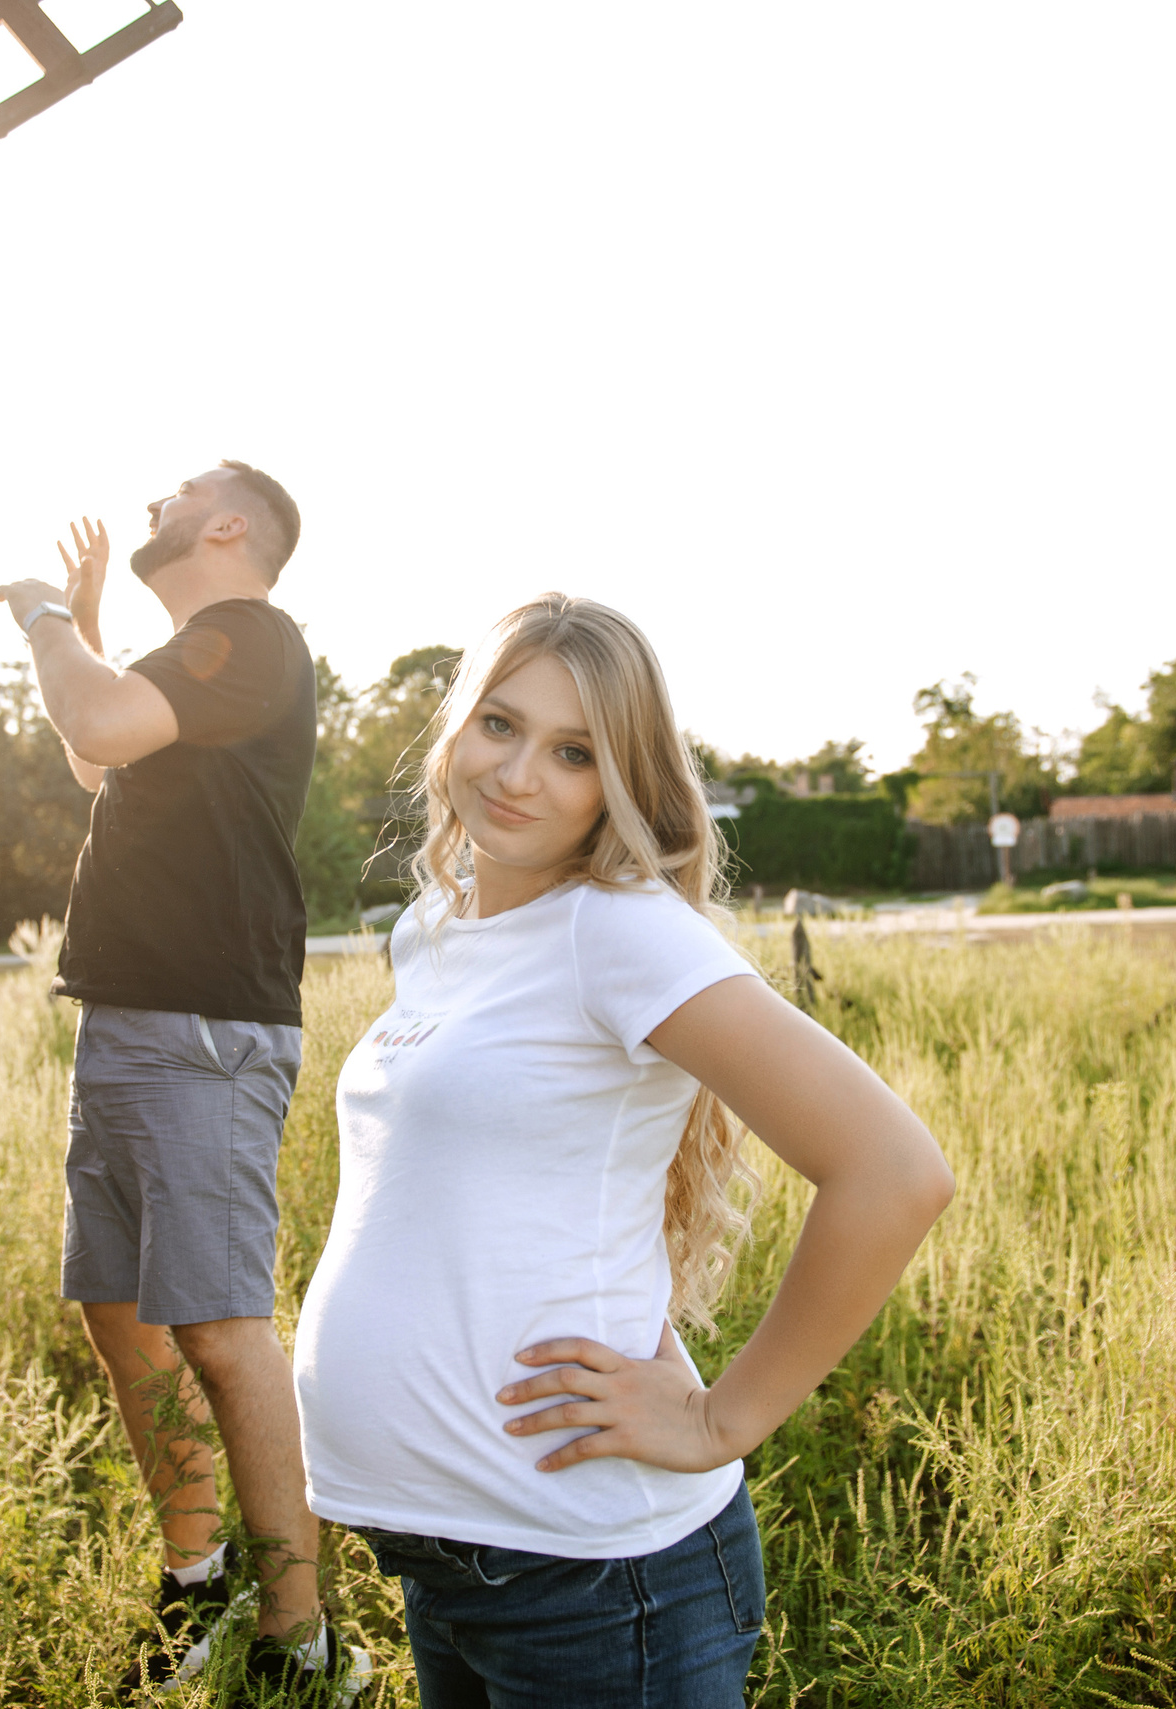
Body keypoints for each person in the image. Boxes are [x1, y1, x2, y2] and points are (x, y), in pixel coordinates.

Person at [294, 594, 958, 1707]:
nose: (518, 773)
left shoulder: (619, 928)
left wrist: (718, 1418)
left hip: (595, 1582)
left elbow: (895, 1171)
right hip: (450, 1564)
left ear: (622, 782)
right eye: (499, 724)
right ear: (455, 726)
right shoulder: (434, 930)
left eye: (574, 752)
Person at [0, 461, 366, 1700]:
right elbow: (99, 754)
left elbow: (98, 724)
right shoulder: (200, 662)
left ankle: (301, 1642)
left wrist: (46, 612)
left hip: (203, 1031)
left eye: (184, 487)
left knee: (216, 1324)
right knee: (120, 1311)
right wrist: (90, 628)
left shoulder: (249, 634)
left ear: (229, 524)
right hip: (129, 1023)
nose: (157, 499)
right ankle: (197, 1580)